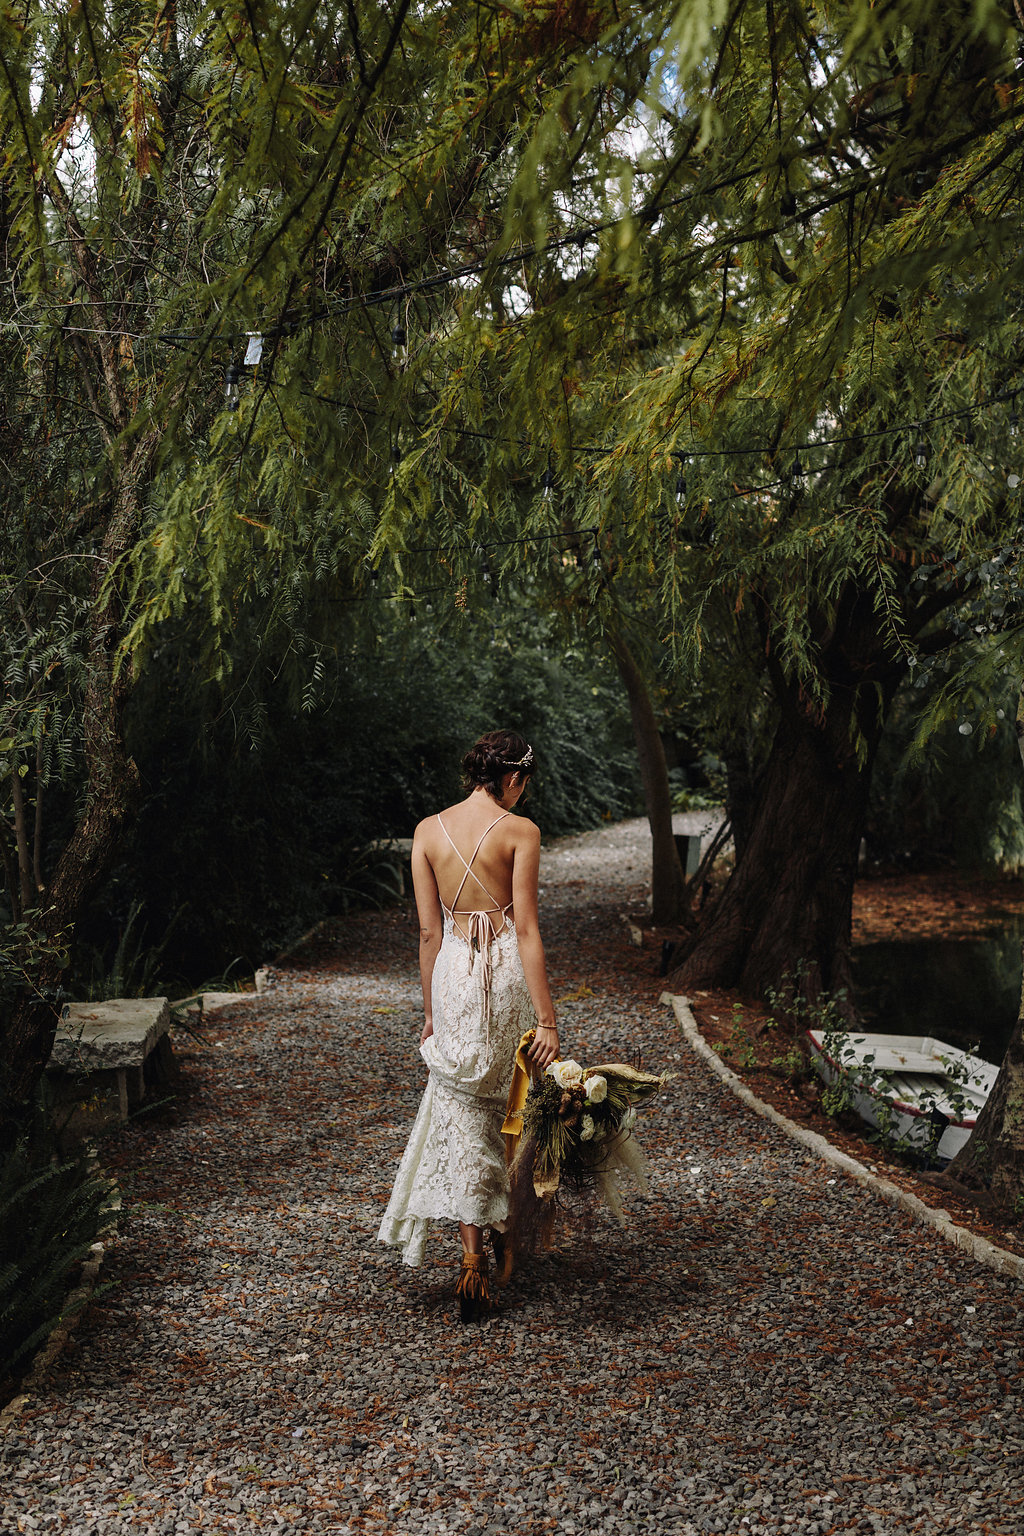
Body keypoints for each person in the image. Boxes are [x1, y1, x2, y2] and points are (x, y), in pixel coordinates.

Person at [377, 729, 559, 1320]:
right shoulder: (521, 832)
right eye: (523, 784)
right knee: (512, 1099)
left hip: (455, 973)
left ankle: (471, 1261)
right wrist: (548, 1020)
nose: (522, 795)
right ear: (511, 778)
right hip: (504, 974)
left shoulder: (428, 832)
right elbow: (526, 929)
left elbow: (429, 933)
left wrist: (430, 1011)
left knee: (461, 1109)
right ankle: (505, 1220)